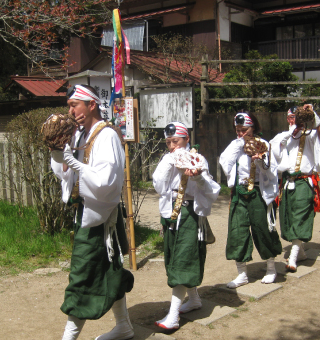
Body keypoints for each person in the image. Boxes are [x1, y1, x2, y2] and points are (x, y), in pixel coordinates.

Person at [50, 84, 134, 340]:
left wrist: (76, 163)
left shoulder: (106, 135)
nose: (71, 110)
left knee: (82, 274)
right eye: (69, 106)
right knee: (109, 269)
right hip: (85, 212)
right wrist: (57, 154)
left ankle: (69, 338)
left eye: (75, 104)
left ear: (91, 105)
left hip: (100, 215)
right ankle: (124, 327)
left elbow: (107, 182)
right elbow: (65, 175)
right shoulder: (79, 135)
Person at [152, 122, 220, 330]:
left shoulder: (198, 159)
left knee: (184, 258)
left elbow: (211, 190)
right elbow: (158, 184)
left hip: (190, 213)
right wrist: (170, 160)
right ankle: (195, 299)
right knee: (174, 257)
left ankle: (173, 316)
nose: (173, 146)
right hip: (171, 212)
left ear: (186, 139)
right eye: (169, 142)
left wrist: (198, 176)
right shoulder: (168, 158)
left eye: (176, 141)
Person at [219, 111, 282, 286]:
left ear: (253, 128)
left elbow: (271, 173)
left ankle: (270, 267)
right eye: (238, 130)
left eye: (244, 130)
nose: (240, 133)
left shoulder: (263, 144)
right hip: (239, 192)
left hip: (258, 192)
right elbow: (225, 164)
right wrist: (239, 145)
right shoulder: (235, 145)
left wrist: (260, 161)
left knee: (263, 229)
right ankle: (242, 273)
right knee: (237, 232)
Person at [270, 104, 320, 272]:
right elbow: (271, 152)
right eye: (293, 118)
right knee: (287, 218)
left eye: (299, 118)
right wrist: (288, 134)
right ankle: (300, 252)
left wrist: (313, 114)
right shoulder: (282, 136)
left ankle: (292, 258)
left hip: (304, 181)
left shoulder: (311, 135)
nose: (295, 122)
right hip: (286, 183)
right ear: (288, 119)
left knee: (300, 215)